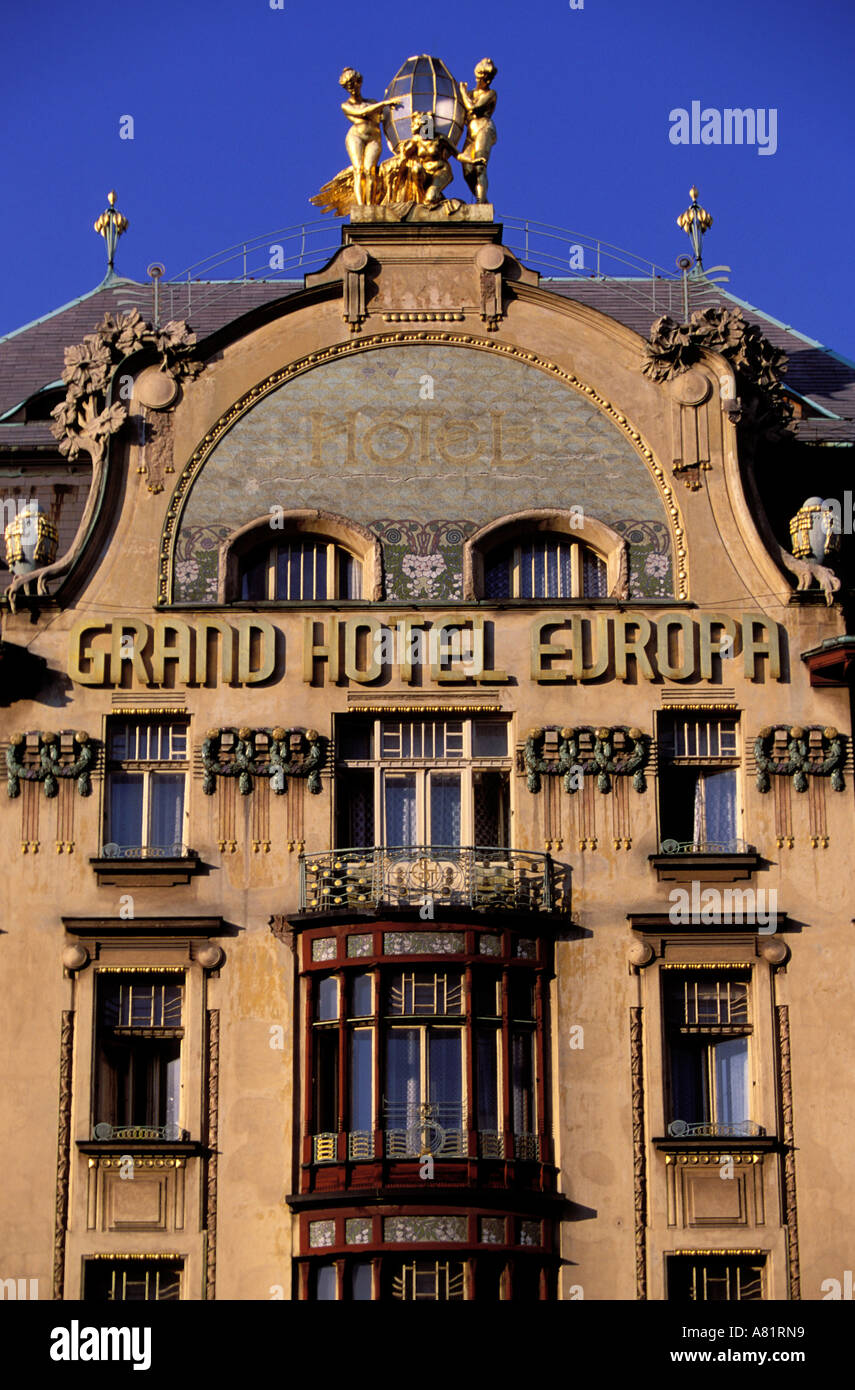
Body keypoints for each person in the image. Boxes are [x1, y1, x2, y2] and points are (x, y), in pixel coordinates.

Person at [339, 68, 401, 205]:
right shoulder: (346, 105)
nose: (351, 88)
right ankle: (361, 207)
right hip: (356, 137)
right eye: (348, 86)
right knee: (358, 170)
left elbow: (384, 118)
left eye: (353, 83)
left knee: (370, 170)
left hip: (374, 138)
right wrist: (385, 103)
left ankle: (370, 205)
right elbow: (362, 112)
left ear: (359, 83)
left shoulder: (372, 102)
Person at [458, 58, 498, 204]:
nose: (486, 81)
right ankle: (479, 196)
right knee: (467, 170)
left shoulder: (491, 93)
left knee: (479, 166)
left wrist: (462, 91)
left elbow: (473, 108)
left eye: (489, 78)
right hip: (470, 133)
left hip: (484, 129)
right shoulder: (469, 94)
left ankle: (481, 200)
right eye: (483, 78)